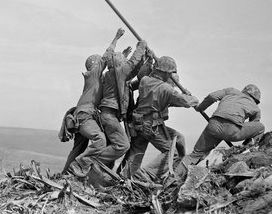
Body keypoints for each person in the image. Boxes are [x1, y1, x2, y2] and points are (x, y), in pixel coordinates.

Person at [120, 56, 199, 180]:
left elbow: (165, 100)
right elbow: (186, 102)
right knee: (172, 154)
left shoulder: (145, 81)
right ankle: (146, 174)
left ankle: (125, 177)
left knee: (136, 153)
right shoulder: (166, 89)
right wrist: (191, 97)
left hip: (138, 123)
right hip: (151, 126)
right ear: (167, 73)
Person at [64, 28, 125, 177]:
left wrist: (125, 56)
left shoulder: (95, 79)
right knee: (100, 139)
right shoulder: (94, 74)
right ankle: (79, 166)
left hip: (82, 115)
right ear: (95, 64)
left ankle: (65, 174)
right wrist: (116, 38)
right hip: (85, 115)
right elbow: (106, 57)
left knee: (78, 148)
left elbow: (114, 67)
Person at [180, 84, 265, 168]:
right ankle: (245, 151)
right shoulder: (256, 109)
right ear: (256, 100)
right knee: (260, 127)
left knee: (195, 155)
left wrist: (200, 108)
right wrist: (244, 146)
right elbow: (253, 127)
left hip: (214, 125)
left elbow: (212, 96)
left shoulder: (231, 91)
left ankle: (173, 177)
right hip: (232, 131)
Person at [95, 37, 148, 169]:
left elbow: (134, 71)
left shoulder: (111, 74)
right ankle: (92, 160)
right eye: (123, 62)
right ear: (120, 64)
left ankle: (100, 172)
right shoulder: (118, 73)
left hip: (108, 115)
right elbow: (132, 63)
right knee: (123, 145)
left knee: (112, 146)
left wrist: (145, 60)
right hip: (109, 116)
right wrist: (141, 46)